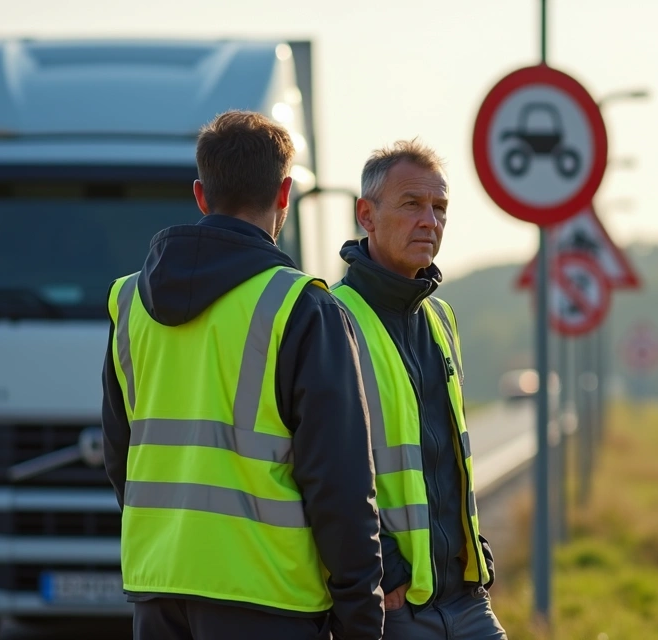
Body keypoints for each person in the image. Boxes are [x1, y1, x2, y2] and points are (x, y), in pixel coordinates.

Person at [100, 110, 385, 640]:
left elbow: (121, 458)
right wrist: (361, 617)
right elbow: (339, 482)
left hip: (159, 589)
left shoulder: (128, 302)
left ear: (201, 195)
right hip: (269, 596)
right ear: (284, 194)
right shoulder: (301, 307)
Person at [329, 140, 506, 639]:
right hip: (395, 603)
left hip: (465, 597)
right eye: (412, 204)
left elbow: (446, 456)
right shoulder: (331, 317)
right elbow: (322, 462)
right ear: (366, 214)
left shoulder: (441, 318)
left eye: (440, 207)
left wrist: (474, 544)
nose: (430, 220)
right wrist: (381, 564)